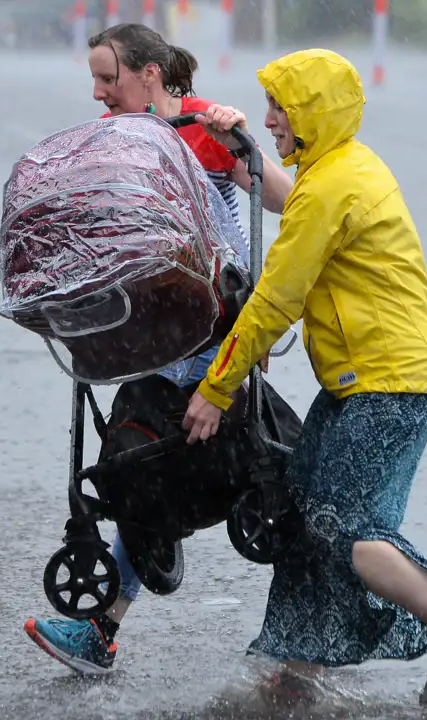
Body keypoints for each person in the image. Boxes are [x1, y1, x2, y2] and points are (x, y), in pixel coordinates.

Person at [180, 49, 427, 710]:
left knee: (350, 531)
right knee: (307, 517)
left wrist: (215, 389)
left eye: (281, 109)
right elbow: (285, 220)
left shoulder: (330, 186)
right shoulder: (340, 167)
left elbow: (275, 299)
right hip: (370, 381)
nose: (270, 120)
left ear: (312, 113)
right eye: (268, 108)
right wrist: (234, 144)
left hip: (392, 384)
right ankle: (302, 673)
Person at [22, 22, 293, 676]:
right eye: (93, 78)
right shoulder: (111, 145)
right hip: (151, 343)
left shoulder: (202, 129)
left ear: (149, 73)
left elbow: (286, 199)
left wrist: (243, 148)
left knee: (275, 473)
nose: (97, 92)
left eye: (108, 77)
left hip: (213, 340)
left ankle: (360, 615)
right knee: (143, 472)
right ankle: (101, 630)